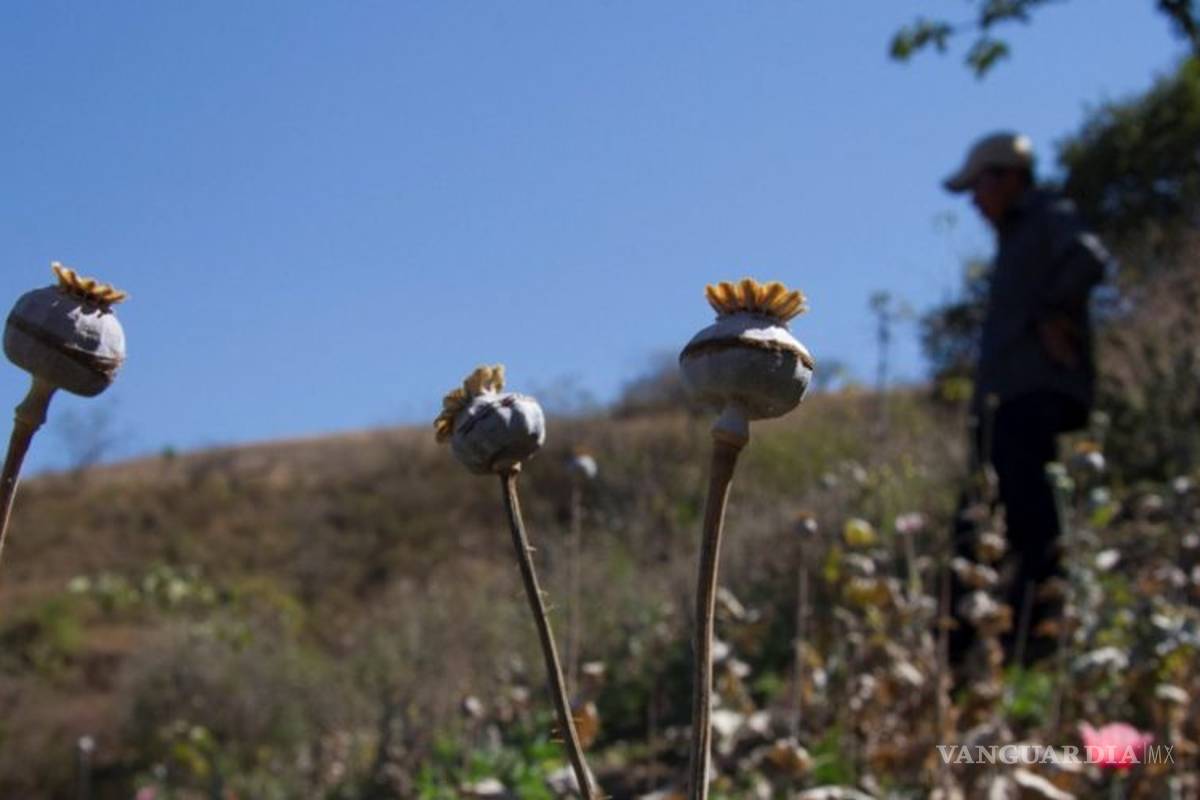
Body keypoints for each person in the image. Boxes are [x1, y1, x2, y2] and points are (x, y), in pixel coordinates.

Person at [942, 131, 1112, 665]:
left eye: (979, 185)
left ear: (1009, 176)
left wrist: (1051, 314)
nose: (974, 199)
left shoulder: (1046, 217)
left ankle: (1034, 641)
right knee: (982, 523)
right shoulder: (1018, 233)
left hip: (1028, 397)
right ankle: (968, 653)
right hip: (1006, 402)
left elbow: (1089, 258)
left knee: (1029, 522)